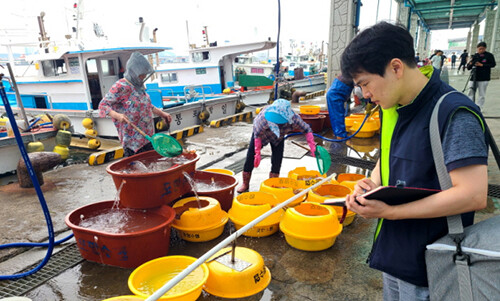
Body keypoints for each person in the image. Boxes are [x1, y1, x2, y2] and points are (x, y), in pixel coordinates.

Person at [341, 22, 488, 300]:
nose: (365, 95)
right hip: (394, 255)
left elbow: (473, 195)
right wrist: (368, 185)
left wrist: (390, 212)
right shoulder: (393, 107)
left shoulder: (453, 112)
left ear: (396, 68)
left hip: (432, 265)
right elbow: (386, 158)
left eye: (365, 84)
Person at [99, 52, 172, 157]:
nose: (144, 76)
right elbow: (103, 105)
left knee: (151, 164)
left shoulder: (140, 86)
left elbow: (148, 106)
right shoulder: (121, 86)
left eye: (145, 74)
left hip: (148, 137)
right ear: (133, 72)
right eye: (141, 74)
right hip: (132, 140)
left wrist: (162, 114)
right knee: (137, 168)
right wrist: (118, 116)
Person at [236, 98, 315, 193]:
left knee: (277, 159)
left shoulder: (294, 118)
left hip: (279, 137)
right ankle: (245, 184)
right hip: (263, 136)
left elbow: (307, 130)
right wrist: (257, 153)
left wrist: (312, 147)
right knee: (250, 157)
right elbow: (257, 136)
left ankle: (273, 183)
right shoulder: (262, 119)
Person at [467, 41, 496, 112]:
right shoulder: (475, 56)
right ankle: (470, 105)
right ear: (477, 48)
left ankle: (479, 107)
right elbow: (468, 67)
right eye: (479, 49)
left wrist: (482, 65)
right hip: (473, 77)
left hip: (484, 78)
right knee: (470, 92)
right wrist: (471, 63)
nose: (481, 50)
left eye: (482, 49)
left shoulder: (489, 55)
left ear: (485, 48)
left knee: (481, 93)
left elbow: (493, 64)